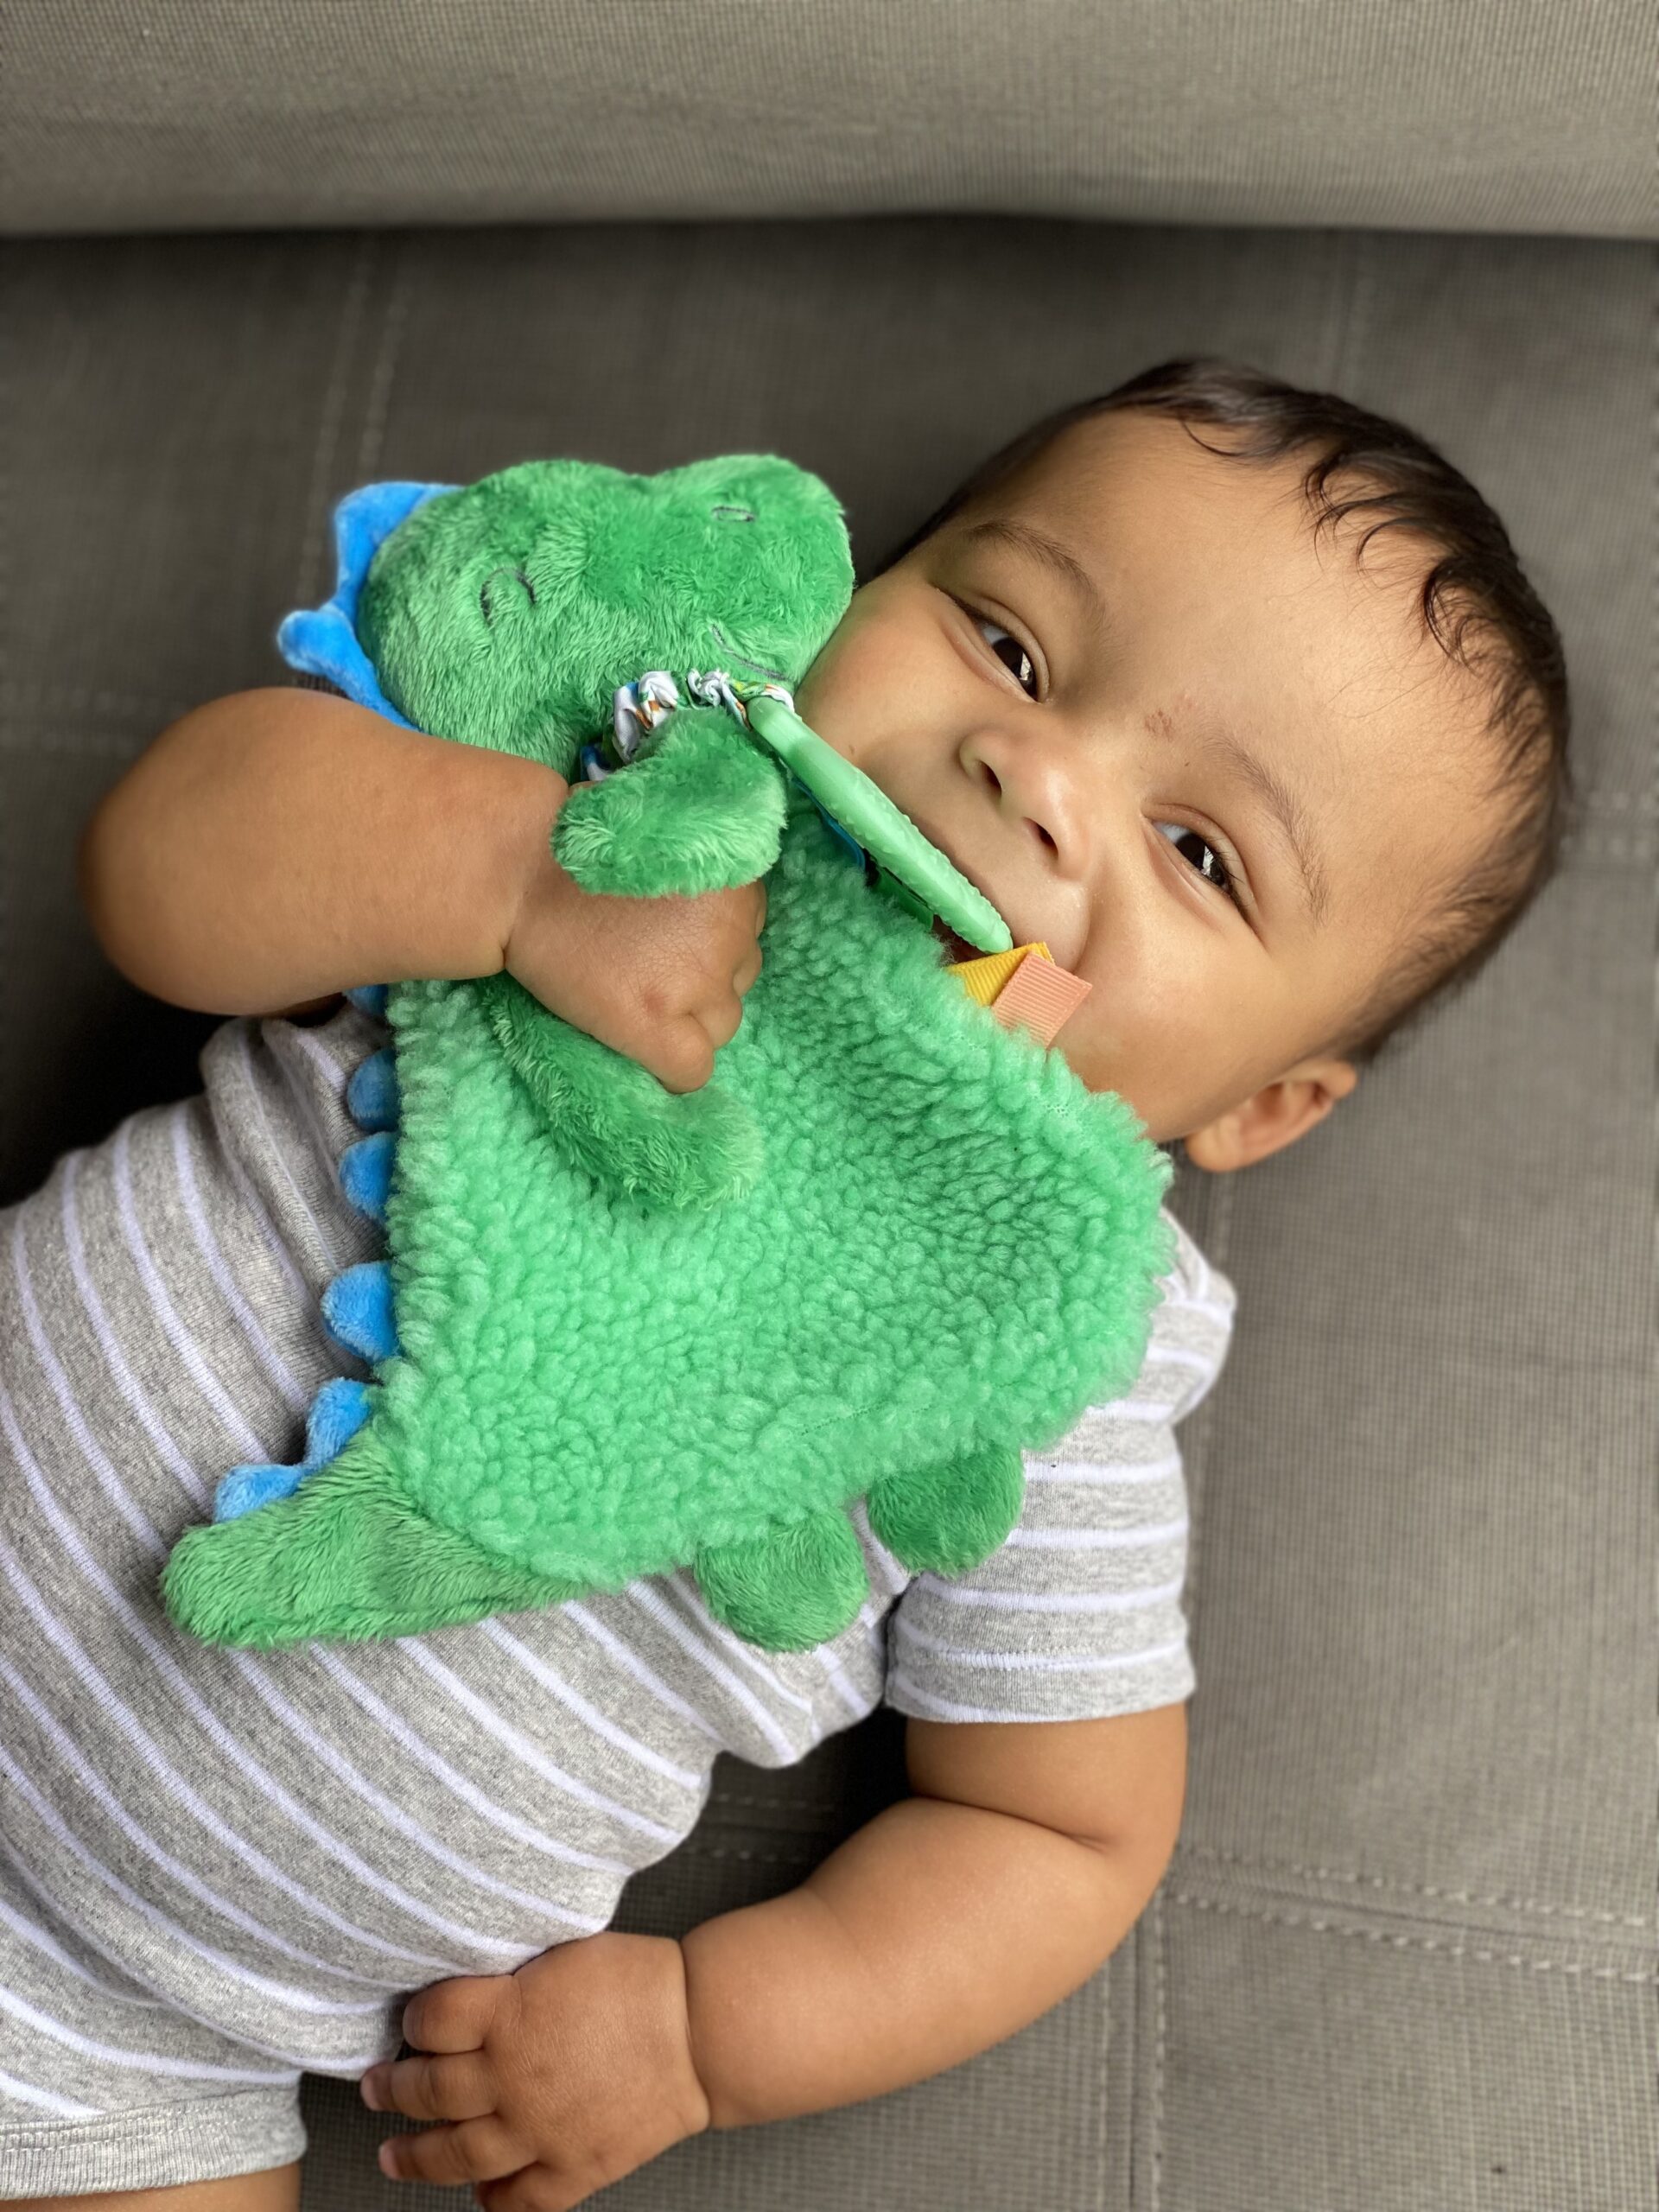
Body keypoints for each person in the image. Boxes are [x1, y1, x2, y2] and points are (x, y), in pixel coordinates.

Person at [0, 359, 1570, 2209]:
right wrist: (512, 876)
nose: (1039, 778)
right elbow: (161, 869)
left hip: (142, 2043)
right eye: (1011, 643)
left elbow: (1058, 1823)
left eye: (1202, 851)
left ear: (1266, 1103)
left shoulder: (1044, 1345)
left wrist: (702, 2032)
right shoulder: (633, 790)